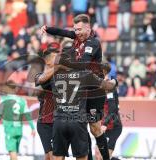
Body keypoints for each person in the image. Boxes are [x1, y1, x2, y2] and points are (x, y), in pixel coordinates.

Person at [41, 14, 110, 160]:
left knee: (95, 129)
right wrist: (48, 29)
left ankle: (105, 158)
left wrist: (62, 63)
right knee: (80, 127)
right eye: (75, 30)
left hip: (94, 90)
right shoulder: (78, 37)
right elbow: (63, 32)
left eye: (79, 30)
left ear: (88, 28)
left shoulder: (93, 43)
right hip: (80, 88)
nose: (77, 33)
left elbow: (84, 64)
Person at [35, 43, 60, 160]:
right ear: (48, 61)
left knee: (49, 156)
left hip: (59, 121)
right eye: (56, 57)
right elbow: (38, 89)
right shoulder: (39, 76)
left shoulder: (61, 76)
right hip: (45, 122)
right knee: (52, 156)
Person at [0, 92, 36, 160]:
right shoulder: (22, 100)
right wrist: (32, 128)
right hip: (19, 130)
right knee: (14, 152)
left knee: (12, 152)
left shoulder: (3, 100)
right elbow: (28, 115)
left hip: (10, 129)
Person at [94, 63, 122, 160]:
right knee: (97, 155)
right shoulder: (98, 86)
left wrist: (105, 124)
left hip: (113, 127)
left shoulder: (109, 86)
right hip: (103, 126)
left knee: (103, 156)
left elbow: (113, 110)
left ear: (104, 72)